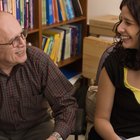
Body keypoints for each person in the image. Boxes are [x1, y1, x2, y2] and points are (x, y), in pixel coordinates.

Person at [0, 12, 78, 140]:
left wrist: (56, 137)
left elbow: (67, 105)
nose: (22, 43)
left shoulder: (38, 61)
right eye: (13, 40)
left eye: (22, 35)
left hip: (37, 128)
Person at [88, 0, 140, 139]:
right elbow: (101, 120)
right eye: (121, 20)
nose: (119, 28)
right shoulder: (114, 62)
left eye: (128, 23)